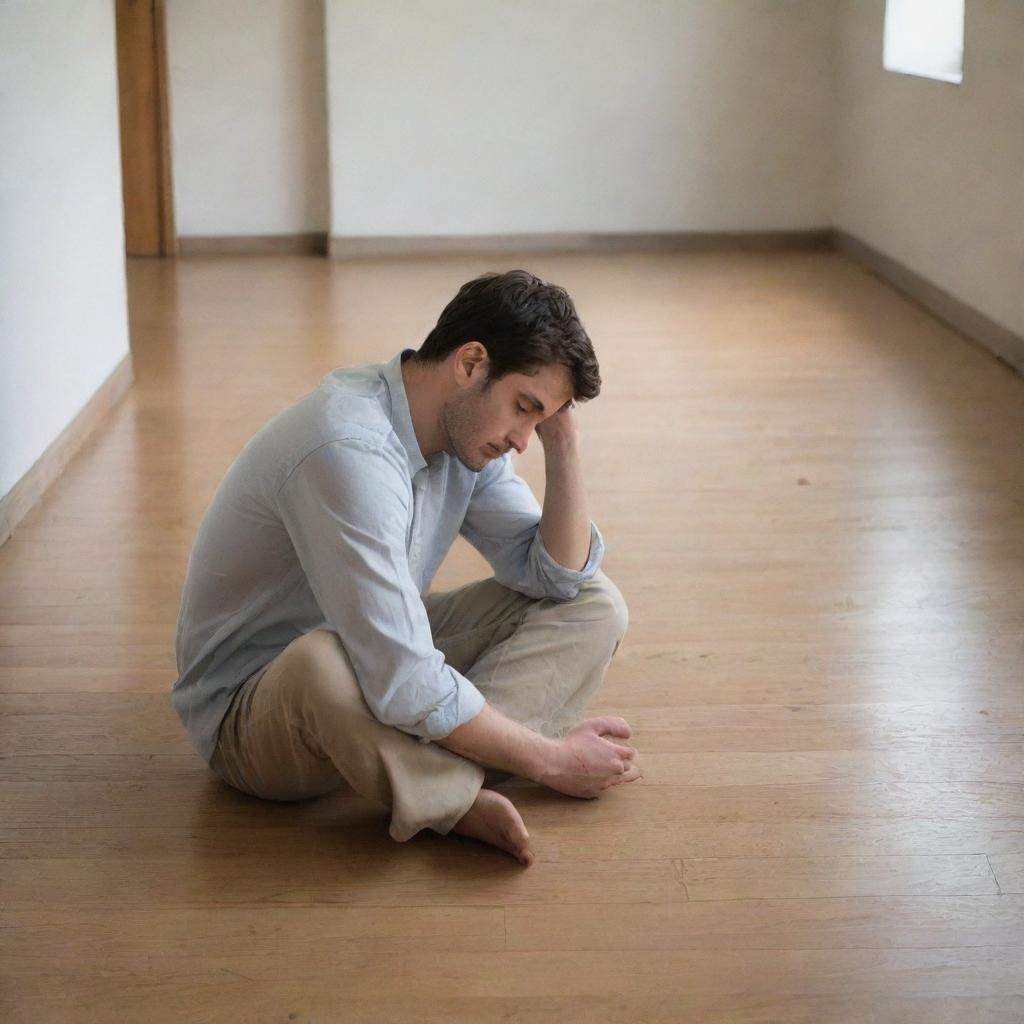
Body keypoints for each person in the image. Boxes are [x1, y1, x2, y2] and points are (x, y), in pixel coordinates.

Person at [171, 269, 639, 867]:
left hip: (374, 657)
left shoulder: (471, 432)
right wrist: (551, 761)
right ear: (471, 364)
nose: (524, 438)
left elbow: (555, 577)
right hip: (253, 710)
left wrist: (564, 442)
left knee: (596, 604)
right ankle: (454, 793)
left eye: (540, 419)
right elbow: (401, 674)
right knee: (321, 660)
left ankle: (426, 776)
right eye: (525, 408)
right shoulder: (347, 448)